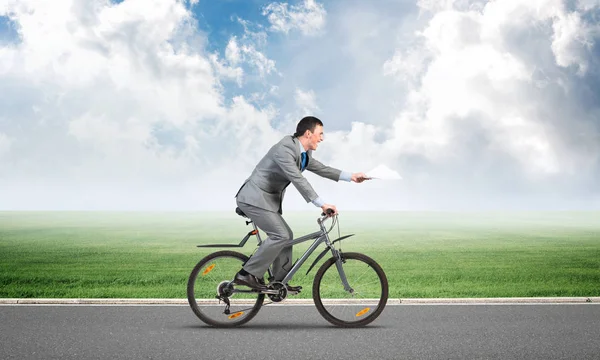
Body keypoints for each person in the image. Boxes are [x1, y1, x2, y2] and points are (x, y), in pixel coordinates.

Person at [233, 116, 370, 291]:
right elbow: (298, 179)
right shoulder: (284, 149)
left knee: (286, 236)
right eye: (320, 134)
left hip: (266, 200)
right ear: (308, 133)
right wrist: (321, 204)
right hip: (253, 198)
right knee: (280, 235)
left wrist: (350, 176)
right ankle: (246, 274)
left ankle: (278, 283)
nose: (321, 138)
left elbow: (321, 168)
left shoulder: (303, 152)